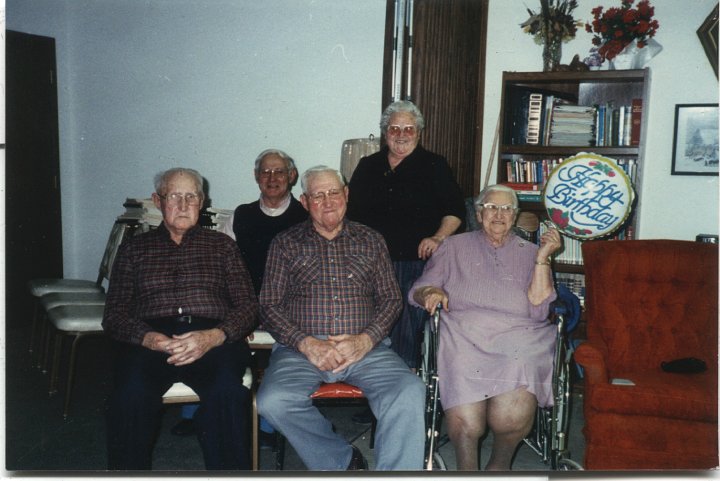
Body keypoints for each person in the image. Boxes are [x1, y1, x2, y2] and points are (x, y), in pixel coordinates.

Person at [256, 166, 426, 470]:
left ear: (346, 195)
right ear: (305, 202)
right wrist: (307, 344)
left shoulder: (371, 240)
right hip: (301, 351)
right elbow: (269, 305)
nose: (328, 200)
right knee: (273, 401)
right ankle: (342, 461)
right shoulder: (285, 243)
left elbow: (391, 299)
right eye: (318, 195)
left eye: (334, 192)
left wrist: (366, 339)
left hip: (366, 348)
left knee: (409, 391)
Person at [102, 167, 257, 470]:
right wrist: (150, 339)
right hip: (150, 339)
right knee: (129, 396)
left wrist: (213, 336)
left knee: (227, 393)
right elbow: (114, 314)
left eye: (192, 197)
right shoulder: (134, 250)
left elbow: (248, 307)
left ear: (202, 201)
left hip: (213, 337)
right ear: (157, 201)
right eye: (175, 196)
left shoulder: (223, 246)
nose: (184, 205)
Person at [408, 184, 562, 471]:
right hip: (464, 334)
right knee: (468, 423)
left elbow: (540, 310)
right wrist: (430, 293)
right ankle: (467, 471)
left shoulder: (531, 252)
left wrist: (543, 259)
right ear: (479, 214)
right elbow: (419, 288)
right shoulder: (453, 247)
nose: (499, 215)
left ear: (515, 217)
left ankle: (498, 467)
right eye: (491, 207)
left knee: (510, 418)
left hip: (520, 337)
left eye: (506, 209)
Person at [173, 149, 307, 439]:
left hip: (289, 306)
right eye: (266, 172)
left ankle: (270, 422)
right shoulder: (240, 215)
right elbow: (218, 265)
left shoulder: (307, 216)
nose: (272, 178)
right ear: (256, 177)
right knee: (208, 325)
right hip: (244, 301)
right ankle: (196, 408)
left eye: (279, 172)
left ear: (292, 176)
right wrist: (240, 313)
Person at [347, 100, 466, 373]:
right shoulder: (368, 166)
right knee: (365, 322)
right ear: (385, 132)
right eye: (394, 128)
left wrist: (437, 238)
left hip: (414, 261)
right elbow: (350, 215)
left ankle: (403, 386)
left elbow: (455, 211)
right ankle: (371, 388)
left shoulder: (434, 165)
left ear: (419, 133)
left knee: (405, 326)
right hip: (369, 263)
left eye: (408, 129)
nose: (401, 135)